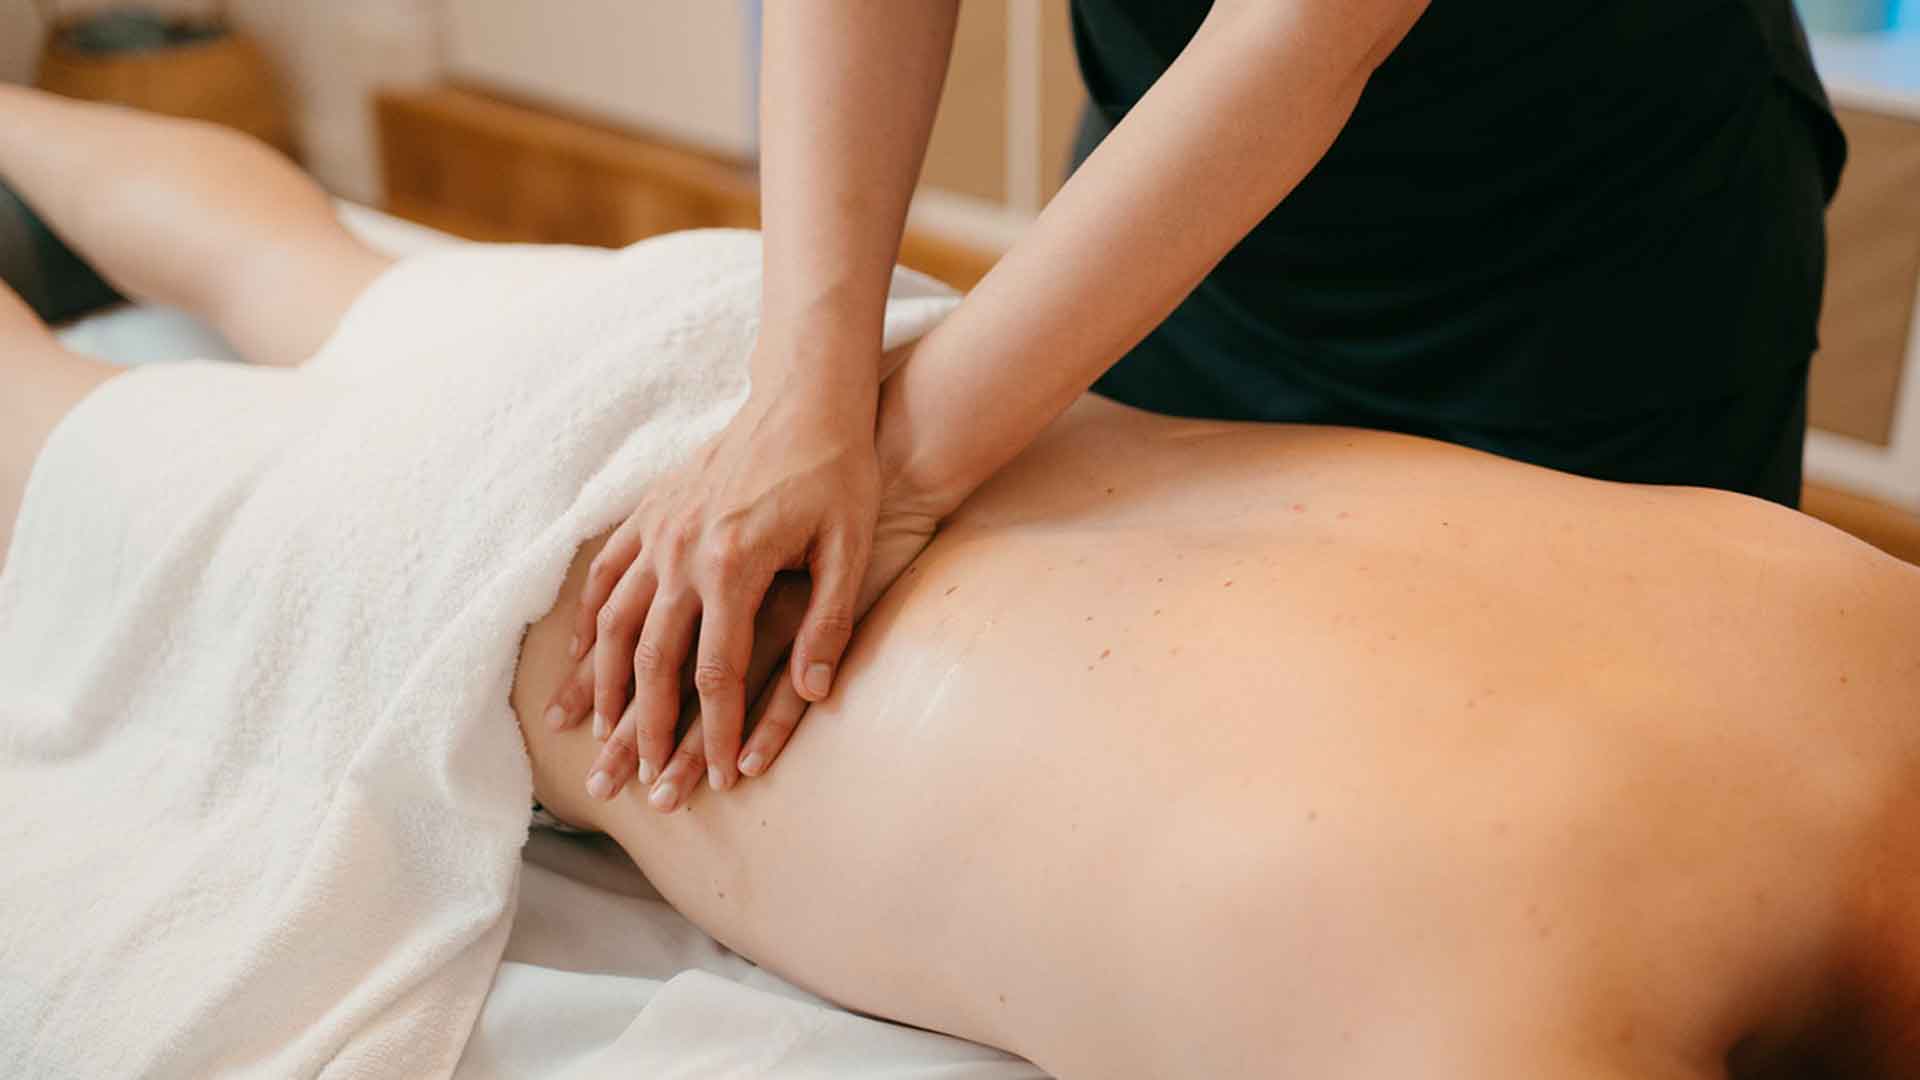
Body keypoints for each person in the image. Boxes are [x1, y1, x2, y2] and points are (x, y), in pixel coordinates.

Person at [2, 87, 1917, 1079]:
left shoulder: (1863, 620)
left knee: (323, 272)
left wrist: (836, 406)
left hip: (788, 382)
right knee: (53, 423)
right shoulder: (1531, 1023)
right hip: (572, 582)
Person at [568, 0, 1853, 804]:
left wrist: (898, 468)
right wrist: (805, 387)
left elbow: (1304, 29)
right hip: (1176, 235)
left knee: (1607, 799)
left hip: (1584, 266)